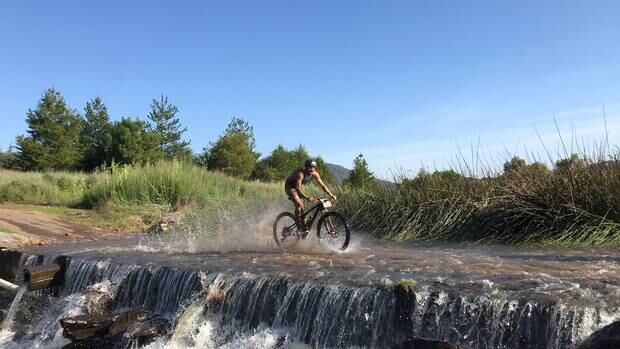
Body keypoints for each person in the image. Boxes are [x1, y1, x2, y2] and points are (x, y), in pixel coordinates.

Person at [285, 159, 337, 234]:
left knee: (303, 208)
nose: (312, 169)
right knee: (299, 204)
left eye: (314, 167)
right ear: (306, 167)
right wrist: (307, 197)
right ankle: (299, 228)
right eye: (310, 167)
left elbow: (322, 185)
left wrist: (331, 195)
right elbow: (298, 188)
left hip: (297, 188)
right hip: (290, 187)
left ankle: (303, 226)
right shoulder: (300, 173)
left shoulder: (314, 173)